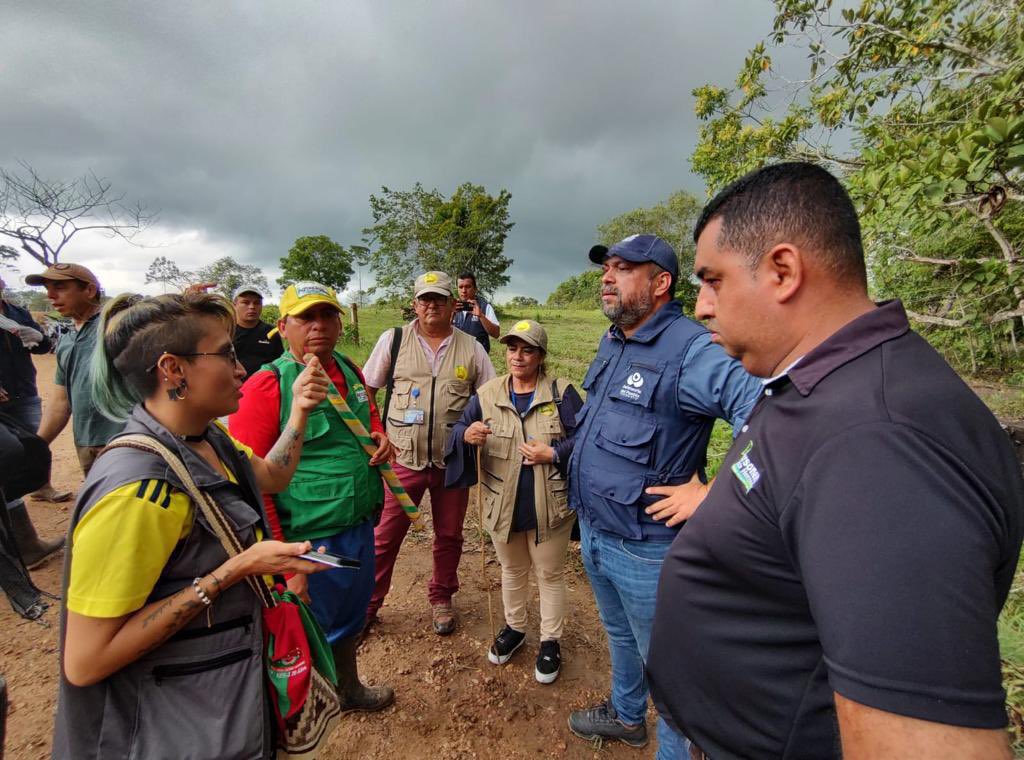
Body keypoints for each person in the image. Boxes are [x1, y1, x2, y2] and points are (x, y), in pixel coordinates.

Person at [647, 162, 1024, 759]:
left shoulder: (878, 446)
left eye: (713, 280)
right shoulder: (820, 382)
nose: (703, 306)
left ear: (783, 270)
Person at [52, 291, 331, 760]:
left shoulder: (208, 438)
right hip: (169, 728)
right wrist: (234, 572)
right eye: (225, 354)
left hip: (215, 701)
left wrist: (300, 409)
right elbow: (85, 661)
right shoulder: (137, 492)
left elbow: (274, 475)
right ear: (173, 370)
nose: (241, 369)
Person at [566, 234, 762, 757]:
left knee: (674, 671)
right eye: (606, 266)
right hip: (596, 532)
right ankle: (628, 717)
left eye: (624, 268)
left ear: (660, 283)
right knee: (621, 638)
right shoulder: (615, 341)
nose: (608, 276)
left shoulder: (691, 350)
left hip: (648, 549)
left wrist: (714, 493)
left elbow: (770, 415)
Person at [230, 281, 395, 713]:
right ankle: (307, 708)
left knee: (350, 616)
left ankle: (348, 690)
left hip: (359, 524)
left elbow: (368, 414)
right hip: (308, 540)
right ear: (283, 326)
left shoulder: (350, 370)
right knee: (308, 627)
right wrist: (285, 563)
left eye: (328, 316)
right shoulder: (268, 386)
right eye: (306, 318)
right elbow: (253, 484)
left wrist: (379, 435)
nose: (319, 326)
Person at [445, 319, 583, 683]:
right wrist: (467, 433)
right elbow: (459, 429)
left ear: (541, 356)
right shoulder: (487, 393)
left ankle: (551, 641)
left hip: (549, 507)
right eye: (512, 349)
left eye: (527, 350)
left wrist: (552, 453)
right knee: (512, 570)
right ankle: (516, 629)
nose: (518, 357)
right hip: (501, 505)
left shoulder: (561, 393)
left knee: (550, 574)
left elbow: (585, 439)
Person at [362, 271, 496, 635]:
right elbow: (367, 390)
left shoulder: (472, 348)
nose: (432, 305)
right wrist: (375, 430)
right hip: (402, 459)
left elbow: (491, 400)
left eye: (440, 299)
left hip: (452, 462)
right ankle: (369, 605)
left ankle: (441, 598)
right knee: (386, 536)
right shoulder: (393, 340)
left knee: (450, 535)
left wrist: (480, 430)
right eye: (425, 299)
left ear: (454, 305)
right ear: (415, 304)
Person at [27, 263, 125, 476]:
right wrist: (37, 444)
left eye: (60, 287)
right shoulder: (66, 340)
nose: (50, 295)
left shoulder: (116, 328)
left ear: (89, 290)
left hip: (125, 442)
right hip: (86, 444)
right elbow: (61, 402)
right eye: (47, 289)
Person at [0, 277, 66, 567]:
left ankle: (42, 487)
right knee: (6, 467)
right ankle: (26, 547)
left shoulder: (16, 312)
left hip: (23, 389)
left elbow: (42, 346)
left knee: (34, 446)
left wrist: (37, 338)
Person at [231, 283, 283, 377]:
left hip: (264, 387)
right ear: (234, 305)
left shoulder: (271, 333)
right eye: (245, 302)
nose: (252, 307)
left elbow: (279, 364)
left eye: (257, 303)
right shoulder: (226, 331)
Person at [453, 271, 500, 352]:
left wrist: (481, 316)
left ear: (475, 289)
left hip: (478, 358)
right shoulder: (452, 307)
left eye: (468, 287)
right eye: (460, 287)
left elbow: (496, 334)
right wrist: (451, 314)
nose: (464, 290)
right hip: (457, 356)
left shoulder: (485, 306)